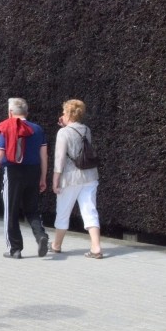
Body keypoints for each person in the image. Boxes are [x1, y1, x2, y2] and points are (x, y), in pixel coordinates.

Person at [0, 97, 49, 259]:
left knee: (11, 210)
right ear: (26, 112)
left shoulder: (7, 127)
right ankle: (41, 236)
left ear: (10, 112)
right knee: (32, 209)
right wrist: (43, 177)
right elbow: (44, 156)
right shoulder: (38, 129)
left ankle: (14, 249)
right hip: (34, 171)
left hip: (13, 172)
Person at [52, 99, 103, 258]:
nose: (62, 115)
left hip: (70, 178)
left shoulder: (63, 133)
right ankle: (96, 247)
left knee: (63, 211)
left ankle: (56, 245)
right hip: (89, 176)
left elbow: (59, 159)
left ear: (67, 114)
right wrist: (66, 126)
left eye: (64, 112)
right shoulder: (86, 129)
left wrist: (55, 181)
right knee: (90, 211)